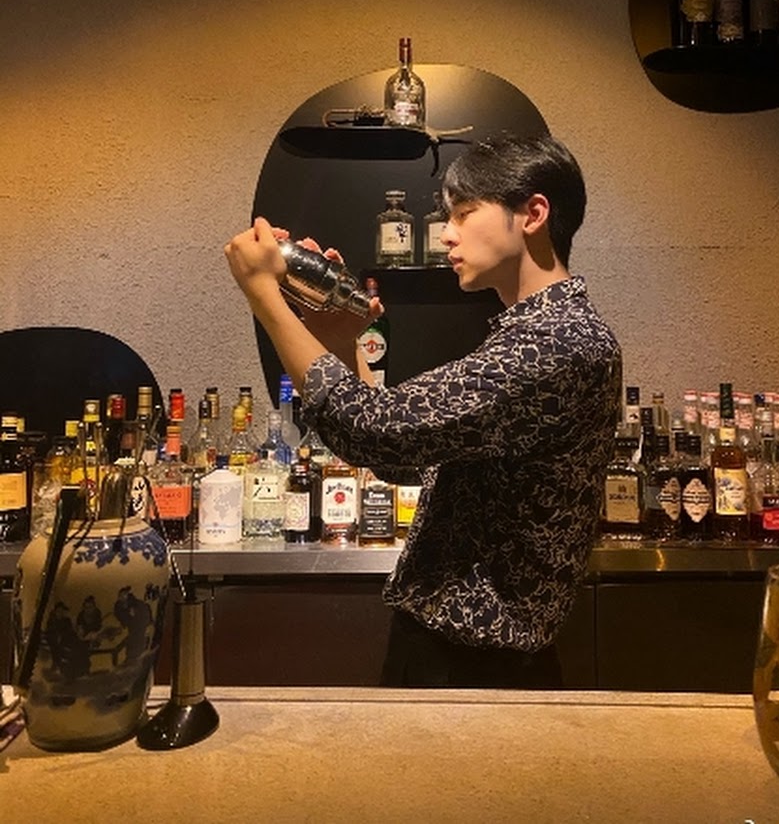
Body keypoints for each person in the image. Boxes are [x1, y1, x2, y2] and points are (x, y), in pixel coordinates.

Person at [225, 133, 621, 688]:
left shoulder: (553, 345)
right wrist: (340, 340)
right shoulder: (541, 335)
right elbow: (401, 457)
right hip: (469, 659)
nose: (448, 234)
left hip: (475, 669)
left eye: (464, 213)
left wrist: (263, 294)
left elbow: (372, 431)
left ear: (533, 214)